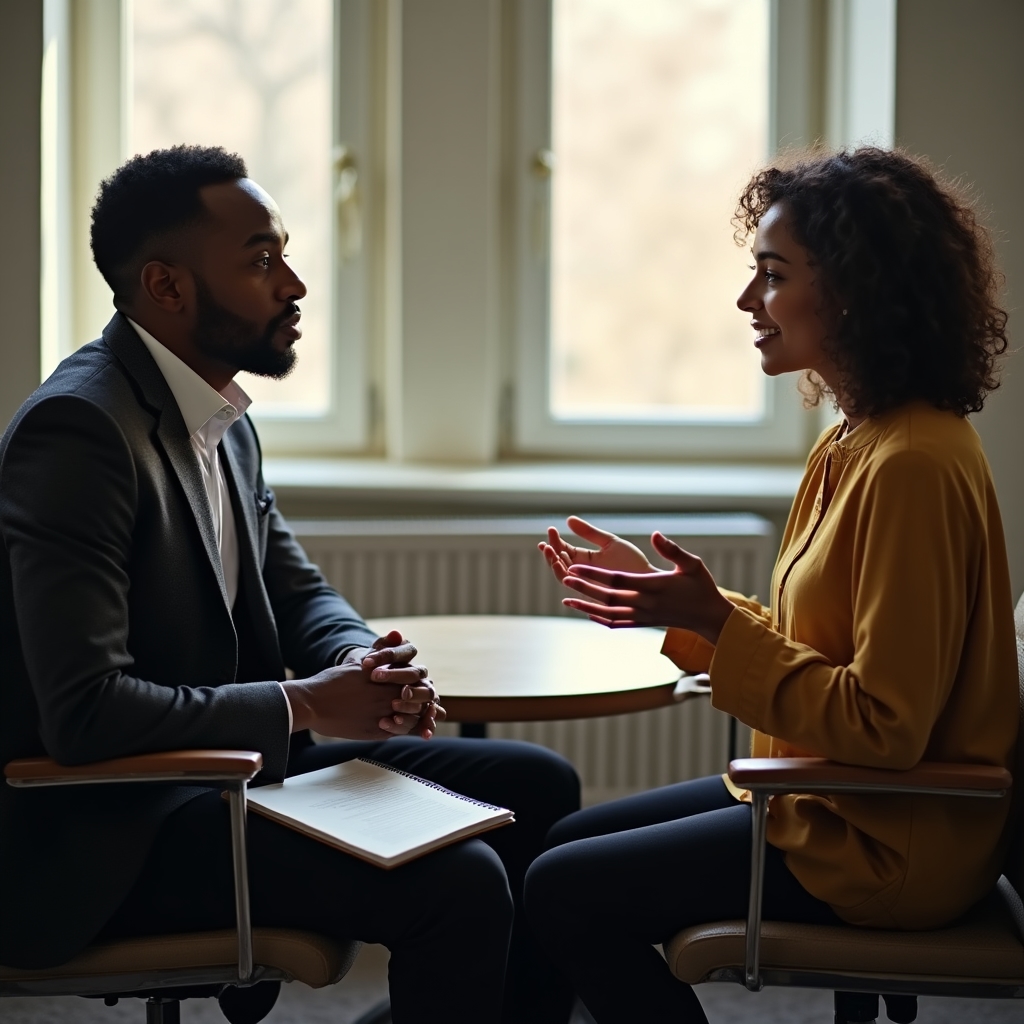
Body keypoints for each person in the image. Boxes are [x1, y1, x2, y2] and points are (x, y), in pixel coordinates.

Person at [0, 145, 579, 1024]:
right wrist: (306, 704)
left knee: (535, 786)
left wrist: (362, 661)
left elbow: (295, 586)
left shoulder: (218, 414)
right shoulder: (78, 432)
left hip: (227, 776)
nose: (296, 283)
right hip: (119, 828)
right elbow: (87, 716)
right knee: (458, 883)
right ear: (167, 286)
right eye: (261, 260)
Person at [524, 147, 1019, 1023]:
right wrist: (678, 610)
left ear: (855, 290)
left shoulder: (912, 463)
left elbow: (887, 726)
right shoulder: (853, 440)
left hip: (881, 840)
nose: (748, 303)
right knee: (558, 847)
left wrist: (715, 618)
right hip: (829, 799)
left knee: (562, 888)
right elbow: (819, 649)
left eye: (773, 276)